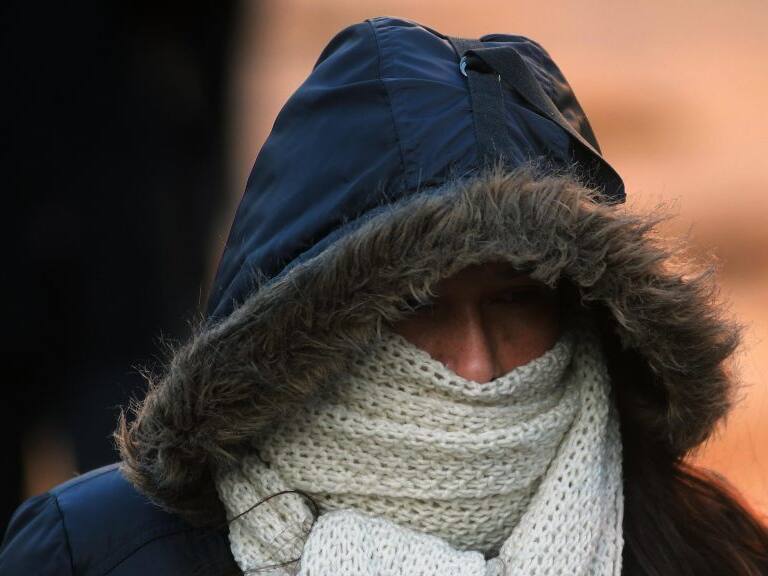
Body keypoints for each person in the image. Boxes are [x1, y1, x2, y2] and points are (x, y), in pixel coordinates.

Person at [2, 15, 767, 576]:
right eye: (416, 305)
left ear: (584, 311)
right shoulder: (95, 554)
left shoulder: (707, 551)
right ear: (306, 332)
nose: (475, 365)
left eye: (514, 301)